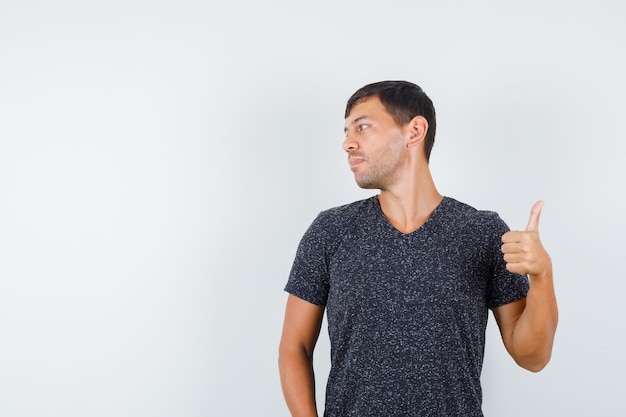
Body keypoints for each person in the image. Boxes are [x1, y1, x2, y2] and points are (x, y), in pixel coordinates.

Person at [278, 80, 558, 417]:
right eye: (346, 131)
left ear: (414, 131)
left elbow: (532, 357)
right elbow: (294, 347)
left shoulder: (482, 232)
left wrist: (542, 275)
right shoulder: (330, 231)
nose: (347, 143)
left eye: (362, 127)